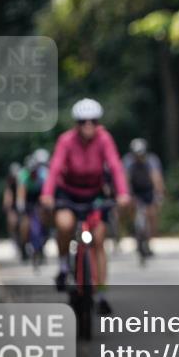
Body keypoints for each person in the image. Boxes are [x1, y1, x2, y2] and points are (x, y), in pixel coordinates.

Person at [40, 99, 130, 315]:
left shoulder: (104, 139)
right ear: (77, 124)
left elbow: (115, 166)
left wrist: (123, 193)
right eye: (83, 122)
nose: (88, 125)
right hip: (68, 193)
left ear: (98, 123)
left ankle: (101, 293)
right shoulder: (66, 141)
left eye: (93, 121)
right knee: (64, 225)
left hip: (94, 195)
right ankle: (63, 266)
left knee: (98, 238)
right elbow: (55, 168)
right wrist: (47, 194)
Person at [122, 138, 166, 257]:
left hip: (148, 190)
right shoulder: (128, 161)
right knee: (130, 210)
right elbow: (125, 179)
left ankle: (149, 240)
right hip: (135, 191)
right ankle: (133, 230)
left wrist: (159, 194)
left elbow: (157, 177)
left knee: (152, 214)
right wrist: (126, 194)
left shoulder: (152, 160)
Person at [17, 149, 50, 259]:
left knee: (44, 220)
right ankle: (23, 245)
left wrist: (46, 203)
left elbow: (46, 191)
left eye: (35, 171)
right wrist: (21, 205)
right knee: (25, 224)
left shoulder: (43, 174)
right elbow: (21, 192)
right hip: (28, 200)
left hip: (39, 198)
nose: (33, 173)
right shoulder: (23, 175)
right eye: (31, 172)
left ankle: (43, 242)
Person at [3, 162, 22, 259]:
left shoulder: (23, 180)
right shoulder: (10, 182)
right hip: (14, 206)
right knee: (12, 222)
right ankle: (14, 242)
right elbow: (8, 195)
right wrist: (8, 207)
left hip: (23, 204)